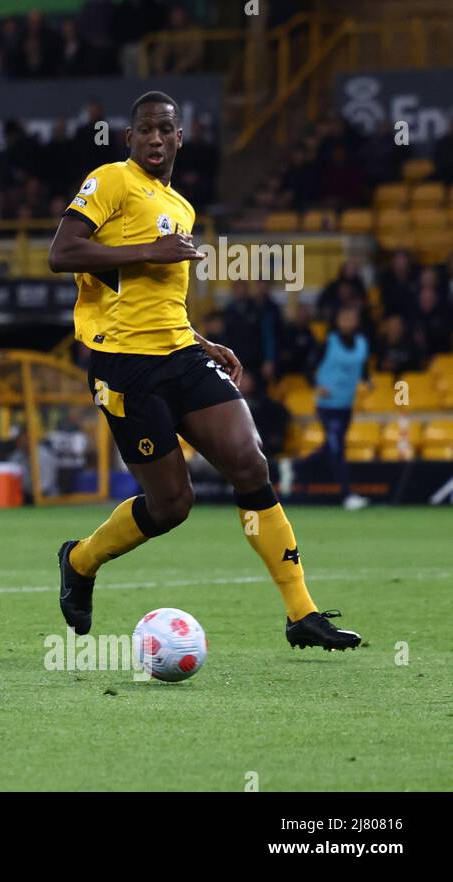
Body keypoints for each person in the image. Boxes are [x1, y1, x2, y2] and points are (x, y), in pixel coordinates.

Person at [47, 91, 361, 651]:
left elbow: (159, 296)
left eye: (165, 129)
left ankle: (301, 613)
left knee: (249, 461)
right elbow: (62, 252)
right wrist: (149, 250)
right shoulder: (111, 181)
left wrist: (201, 339)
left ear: (179, 138)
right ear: (130, 138)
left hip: (181, 354)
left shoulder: (183, 208)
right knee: (172, 506)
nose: (155, 139)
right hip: (125, 365)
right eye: (145, 129)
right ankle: (80, 559)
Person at [308, 304, 371, 510]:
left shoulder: (362, 343)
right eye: (344, 317)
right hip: (328, 405)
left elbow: (363, 368)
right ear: (338, 320)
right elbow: (308, 367)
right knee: (337, 448)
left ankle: (294, 470)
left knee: (330, 448)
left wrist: (368, 381)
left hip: (346, 404)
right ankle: (347, 495)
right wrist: (318, 385)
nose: (348, 321)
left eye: (352, 317)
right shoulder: (329, 341)